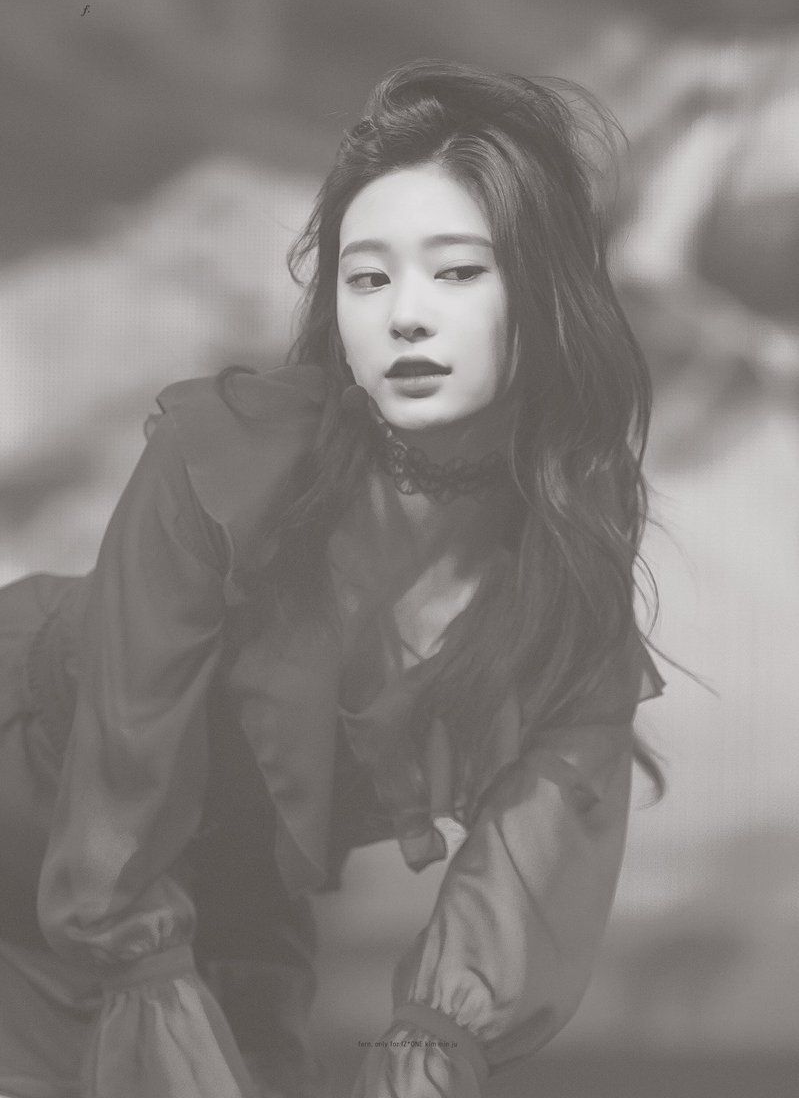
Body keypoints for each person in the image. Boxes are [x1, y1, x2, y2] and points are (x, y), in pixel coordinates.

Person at [0, 60, 666, 1098]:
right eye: (367, 278)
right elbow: (118, 821)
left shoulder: (567, 591)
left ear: (545, 297)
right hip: (53, 823)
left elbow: (523, 895)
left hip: (209, 899)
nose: (405, 317)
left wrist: (427, 1054)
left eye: (456, 272)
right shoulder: (226, 462)